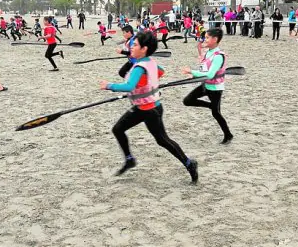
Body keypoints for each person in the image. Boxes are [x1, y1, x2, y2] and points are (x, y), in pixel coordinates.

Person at [99, 31, 198, 183]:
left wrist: (109, 86)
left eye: (135, 45)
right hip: (145, 107)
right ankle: (129, 159)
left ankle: (189, 163)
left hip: (149, 110)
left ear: (144, 49)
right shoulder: (149, 62)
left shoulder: (139, 67)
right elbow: (161, 72)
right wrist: (148, 83)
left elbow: (129, 86)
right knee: (118, 129)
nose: (132, 47)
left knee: (163, 140)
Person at [182, 28, 233, 144]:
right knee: (187, 100)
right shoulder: (208, 52)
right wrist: (195, 76)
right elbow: (204, 70)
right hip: (206, 84)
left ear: (215, 39)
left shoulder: (218, 56)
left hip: (215, 89)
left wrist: (192, 72)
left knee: (216, 113)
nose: (205, 39)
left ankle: (228, 135)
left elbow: (210, 74)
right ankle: (211, 106)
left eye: (207, 37)